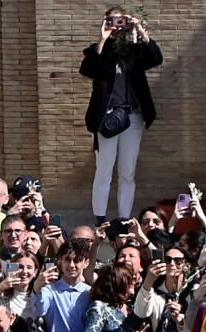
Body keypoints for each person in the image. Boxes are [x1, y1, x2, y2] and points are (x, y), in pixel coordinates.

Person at [81, 7, 163, 222]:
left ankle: (124, 219)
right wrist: (102, 39)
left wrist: (140, 30)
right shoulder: (98, 51)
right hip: (107, 119)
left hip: (132, 117)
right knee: (104, 171)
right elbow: (88, 69)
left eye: (120, 22)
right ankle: (100, 218)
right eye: (111, 21)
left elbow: (156, 58)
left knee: (128, 172)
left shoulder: (134, 51)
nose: (116, 26)